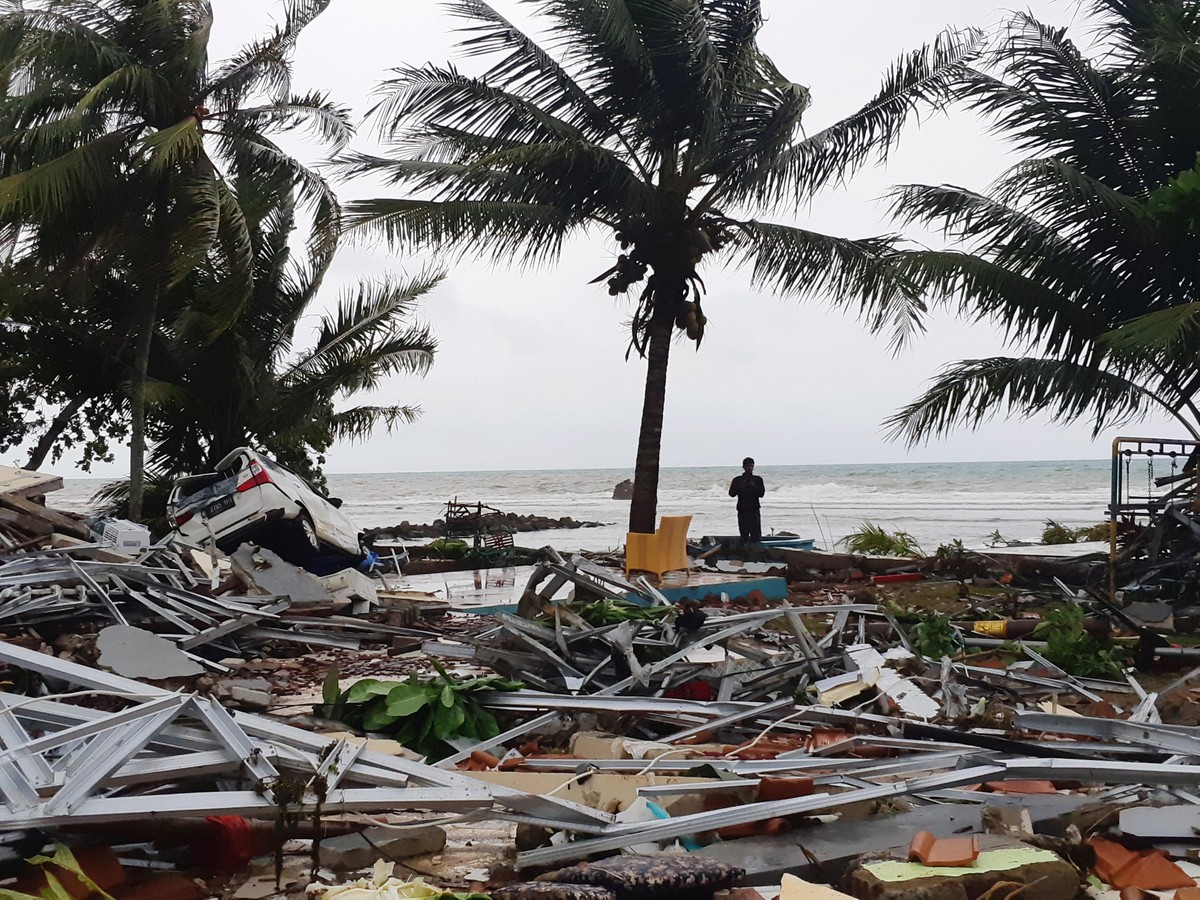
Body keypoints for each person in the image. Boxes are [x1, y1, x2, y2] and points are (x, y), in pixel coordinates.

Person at [729, 457, 765, 543]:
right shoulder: (737, 480)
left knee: (756, 535)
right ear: (743, 467)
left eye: (751, 466)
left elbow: (761, 494)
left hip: (754, 509)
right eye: (748, 466)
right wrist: (741, 486)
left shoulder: (757, 479)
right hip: (742, 510)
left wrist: (753, 486)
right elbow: (731, 494)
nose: (750, 468)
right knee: (744, 534)